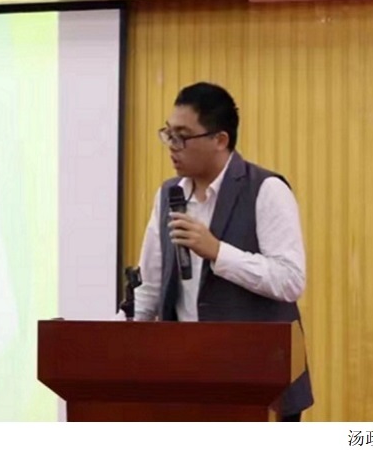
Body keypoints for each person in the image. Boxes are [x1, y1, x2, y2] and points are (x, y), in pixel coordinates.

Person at [133, 82, 313, 421]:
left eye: (182, 137)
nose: (171, 147)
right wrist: (117, 341)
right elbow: (150, 287)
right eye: (168, 134)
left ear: (220, 140)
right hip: (188, 378)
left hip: (260, 382)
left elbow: (290, 280)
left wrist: (218, 252)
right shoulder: (169, 195)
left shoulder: (266, 189)